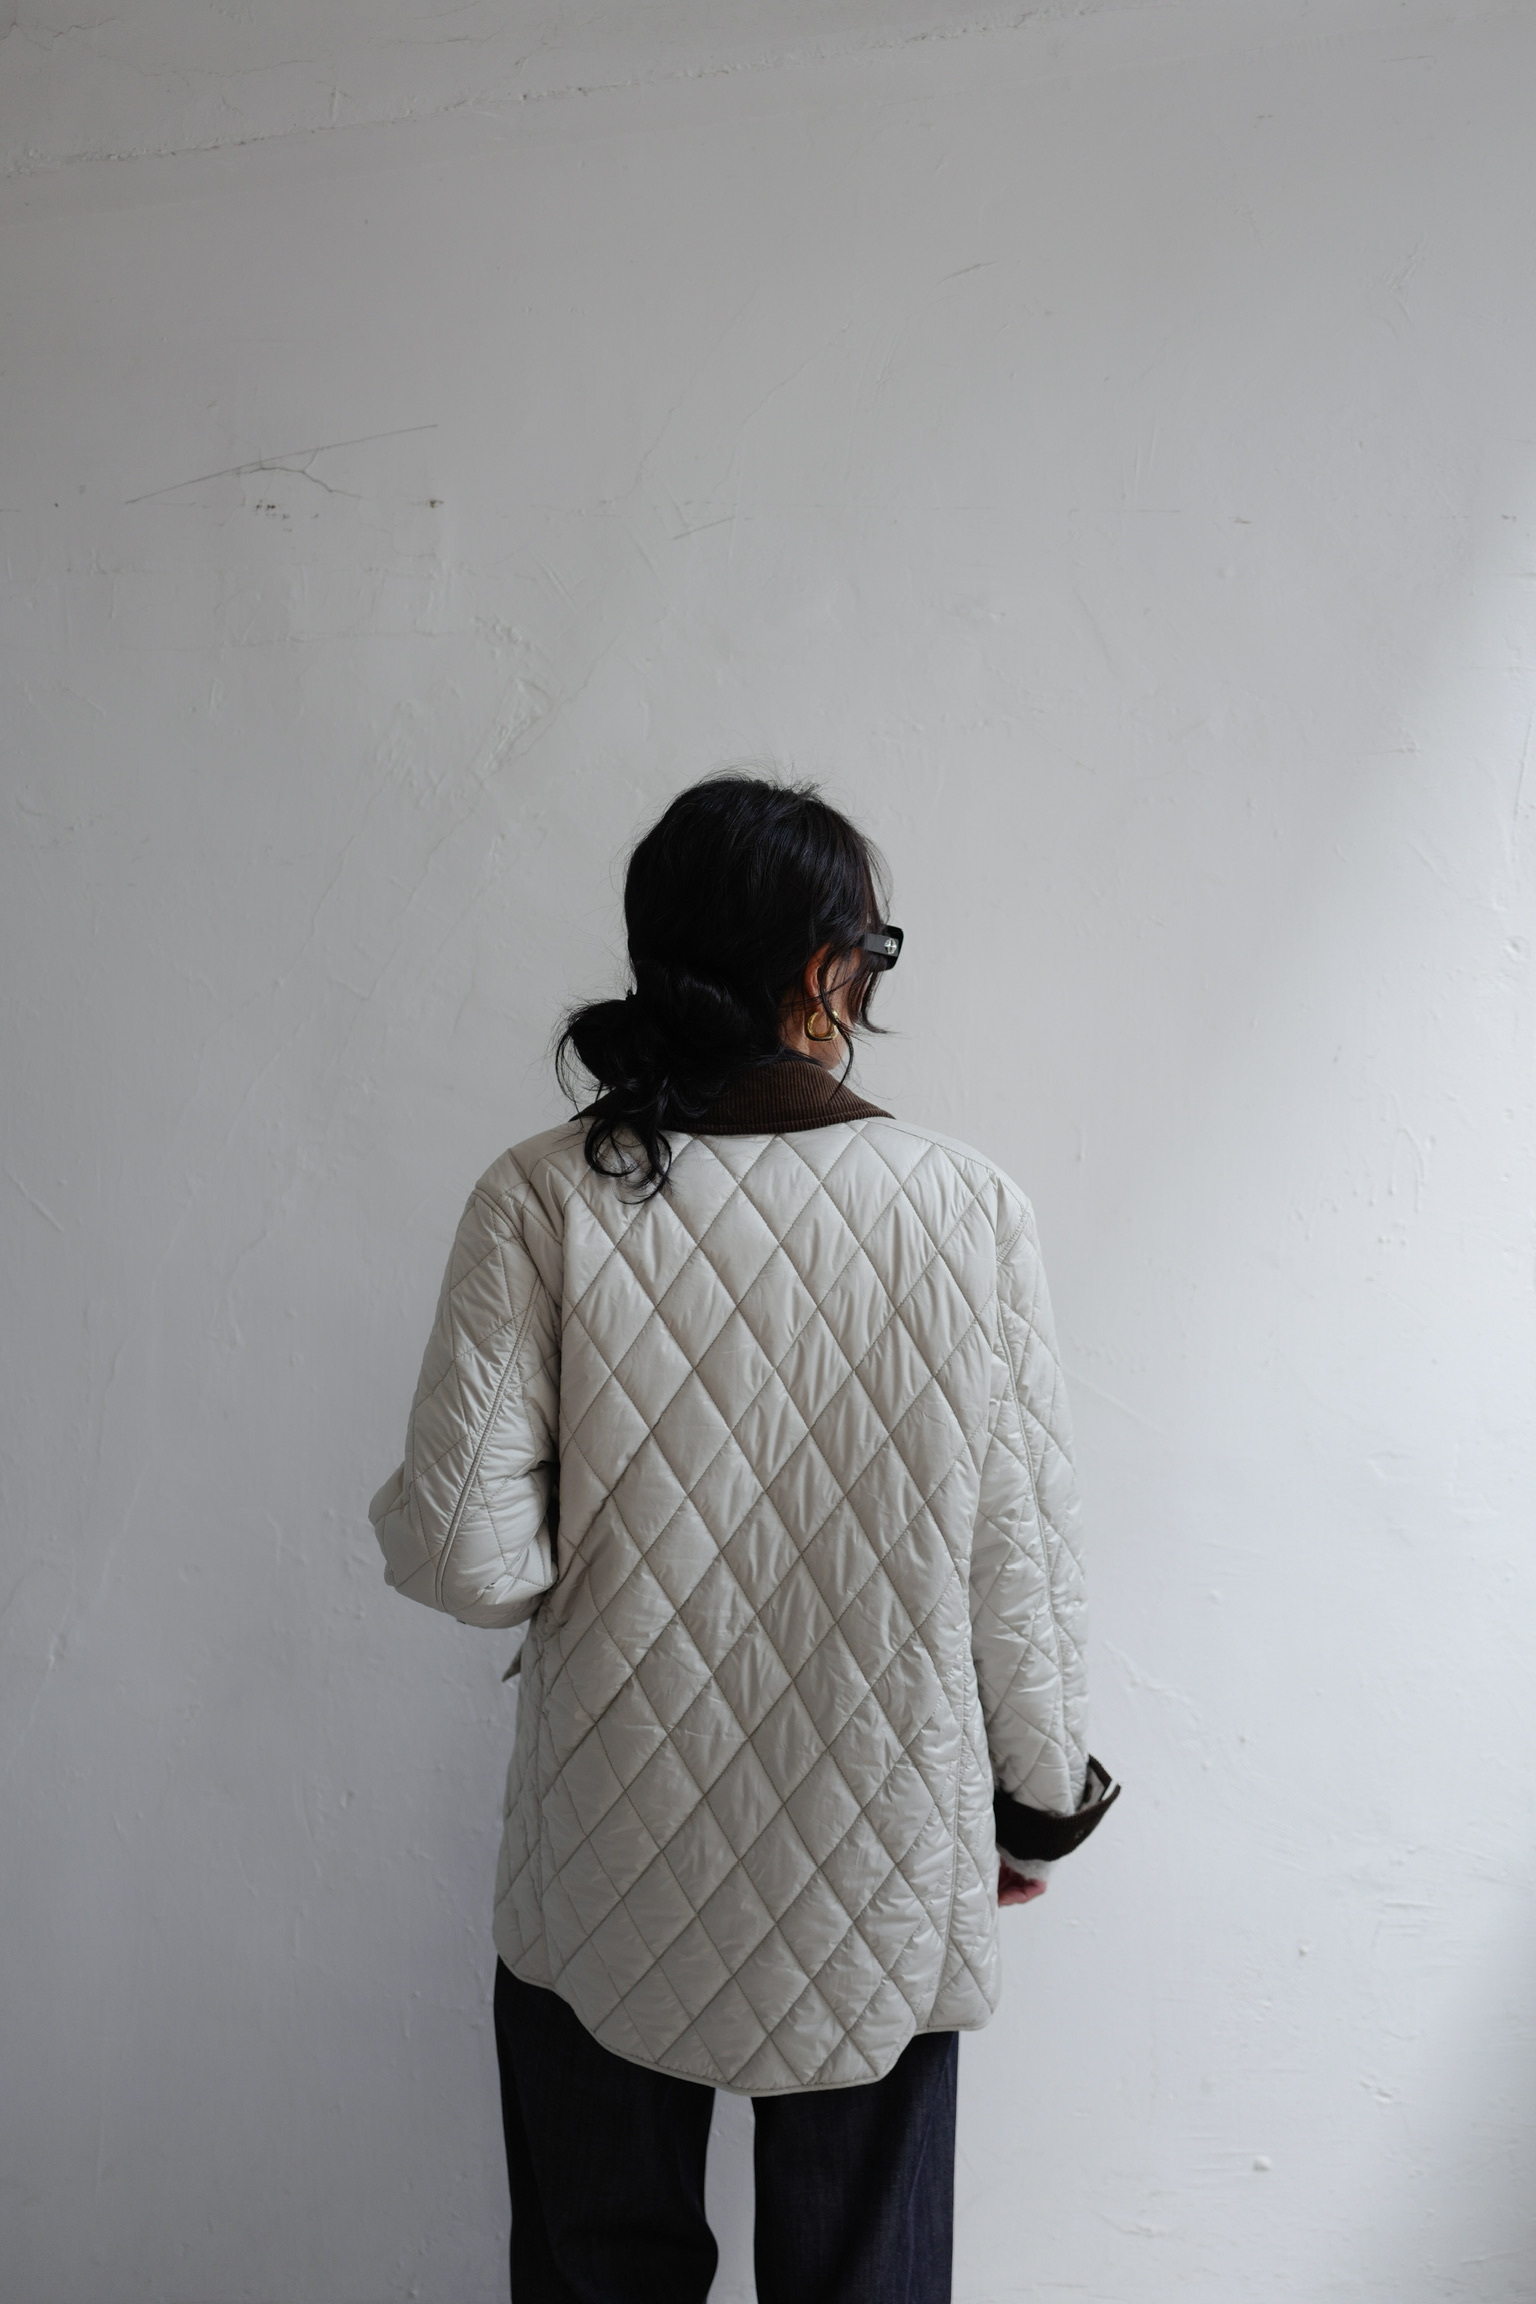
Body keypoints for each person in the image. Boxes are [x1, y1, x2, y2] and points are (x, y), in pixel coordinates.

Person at [369, 772, 1118, 2304]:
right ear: (823, 967)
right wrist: (1038, 1810)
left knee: (600, 2276)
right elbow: (1023, 1567)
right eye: (871, 952)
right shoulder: (967, 1207)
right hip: (878, 1859)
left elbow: (465, 1558)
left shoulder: (540, 1195)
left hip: (608, 1853)